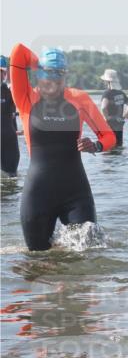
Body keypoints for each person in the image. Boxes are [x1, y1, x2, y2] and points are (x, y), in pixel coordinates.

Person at [8, 44, 116, 251]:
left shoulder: (79, 99)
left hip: (76, 193)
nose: (54, 84)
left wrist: (95, 145)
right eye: (49, 76)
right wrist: (39, 63)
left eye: (59, 76)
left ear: (65, 76)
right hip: (38, 195)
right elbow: (18, 52)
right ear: (39, 75)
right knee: (37, 260)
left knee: (89, 252)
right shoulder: (26, 98)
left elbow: (109, 136)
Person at [99, 69, 128, 148]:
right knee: (118, 145)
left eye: (105, 81)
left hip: (109, 125)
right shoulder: (121, 93)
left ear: (107, 82)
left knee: (109, 147)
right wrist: (124, 117)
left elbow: (103, 108)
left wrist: (107, 118)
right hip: (119, 123)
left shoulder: (107, 93)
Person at [1, 55, 20, 177]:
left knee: (12, 176)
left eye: (1, 72)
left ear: (5, 74)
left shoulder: (10, 91)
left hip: (9, 141)